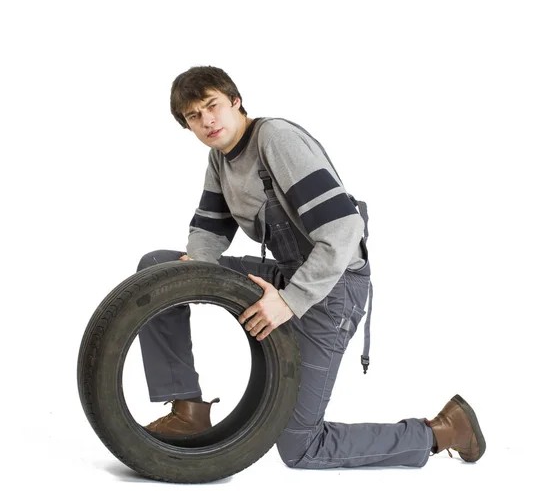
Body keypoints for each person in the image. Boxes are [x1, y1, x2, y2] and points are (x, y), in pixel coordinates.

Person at [136, 65, 486, 468]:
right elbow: (211, 230)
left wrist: (290, 301)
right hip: (286, 276)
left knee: (300, 446)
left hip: (333, 290)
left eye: (211, 106)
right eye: (193, 116)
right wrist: (194, 272)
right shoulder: (221, 159)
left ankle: (440, 431)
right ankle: (188, 413)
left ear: (235, 101)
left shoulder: (277, 140)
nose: (206, 121)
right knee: (161, 270)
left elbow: (343, 229)